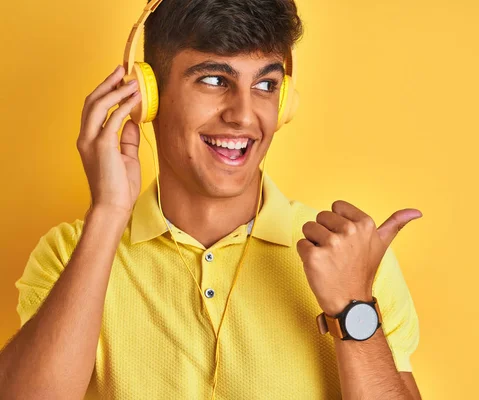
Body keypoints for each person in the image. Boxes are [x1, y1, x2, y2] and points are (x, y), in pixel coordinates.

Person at [0, 0, 423, 398]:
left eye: (265, 84)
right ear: (147, 97)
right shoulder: (70, 253)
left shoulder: (352, 259)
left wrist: (352, 307)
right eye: (215, 80)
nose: (243, 114)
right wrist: (108, 213)